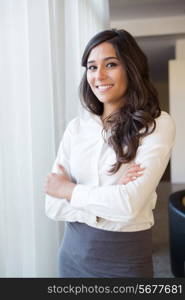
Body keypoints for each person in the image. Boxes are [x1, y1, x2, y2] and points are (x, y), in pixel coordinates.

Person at [44, 29, 176, 278]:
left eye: (111, 64)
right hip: (71, 256)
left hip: (124, 261)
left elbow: (128, 205)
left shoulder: (156, 125)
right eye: (92, 67)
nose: (99, 75)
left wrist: (69, 191)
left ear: (131, 68)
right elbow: (52, 205)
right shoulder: (77, 128)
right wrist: (110, 196)